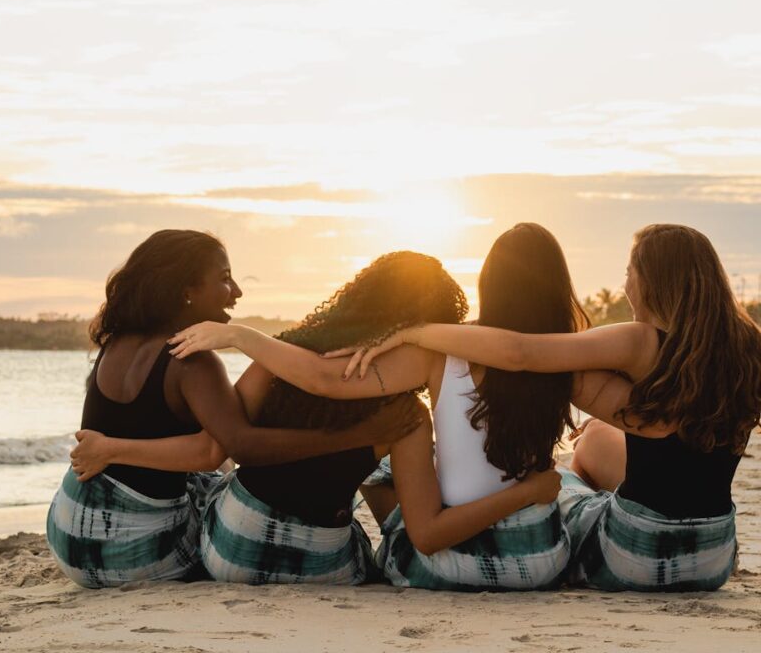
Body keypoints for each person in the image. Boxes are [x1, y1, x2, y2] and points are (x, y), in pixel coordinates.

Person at [161, 225, 621, 590]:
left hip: (243, 550)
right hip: (536, 564)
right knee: (567, 487)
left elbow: (321, 379)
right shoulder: (568, 360)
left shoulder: (425, 356)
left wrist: (244, 337)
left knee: (217, 485)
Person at [325, 224, 761, 592]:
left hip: (633, 554)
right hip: (715, 557)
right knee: (591, 442)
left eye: (630, 271)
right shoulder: (749, 348)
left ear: (653, 280)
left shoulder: (639, 340)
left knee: (566, 483)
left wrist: (415, 332)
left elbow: (520, 353)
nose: (627, 283)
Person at [47, 230, 418, 588]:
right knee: (226, 497)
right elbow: (232, 448)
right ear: (186, 290)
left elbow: (205, 447)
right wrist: (363, 434)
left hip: (68, 534)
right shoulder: (192, 361)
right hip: (134, 555)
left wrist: (112, 449)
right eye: (225, 279)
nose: (237, 292)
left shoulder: (116, 343)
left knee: (210, 479)